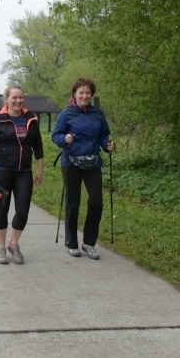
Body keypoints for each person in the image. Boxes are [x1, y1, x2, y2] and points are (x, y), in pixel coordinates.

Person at [52, 78, 114, 260]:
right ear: (75, 94)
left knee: (96, 202)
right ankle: (71, 243)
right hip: (71, 162)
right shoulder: (66, 114)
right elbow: (56, 136)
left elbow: (103, 136)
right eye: (81, 92)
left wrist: (108, 145)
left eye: (88, 93)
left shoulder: (98, 113)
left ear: (91, 95)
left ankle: (89, 243)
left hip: (93, 163)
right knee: (73, 203)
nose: (85, 96)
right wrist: (65, 140)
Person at [0, 85, 44, 264]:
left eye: (21, 98)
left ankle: (13, 244)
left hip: (24, 172)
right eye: (14, 98)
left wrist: (39, 170)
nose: (18, 101)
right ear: (6, 100)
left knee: (23, 210)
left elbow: (38, 147)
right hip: (2, 171)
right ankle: (1, 248)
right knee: (2, 209)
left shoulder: (31, 119)